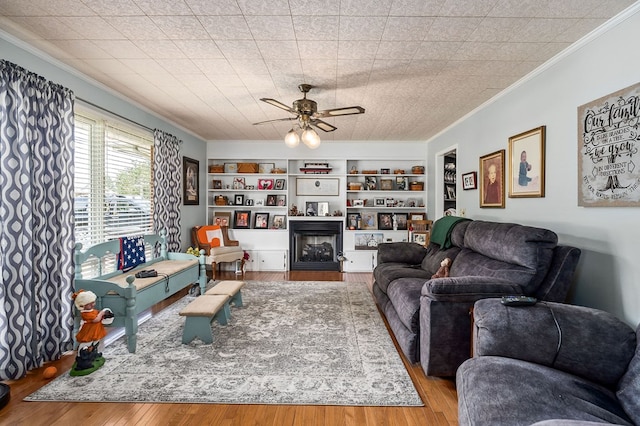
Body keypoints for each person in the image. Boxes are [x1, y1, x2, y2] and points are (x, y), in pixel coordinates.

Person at [72, 289, 113, 372]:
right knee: (86, 344)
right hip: (89, 331)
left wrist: (105, 315)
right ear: (82, 305)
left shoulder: (92, 310)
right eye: (89, 304)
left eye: (93, 303)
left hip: (96, 330)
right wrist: (101, 313)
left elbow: (98, 315)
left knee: (96, 342)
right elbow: (96, 319)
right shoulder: (85, 313)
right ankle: (82, 360)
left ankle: (93, 354)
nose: (92, 305)